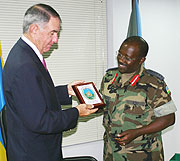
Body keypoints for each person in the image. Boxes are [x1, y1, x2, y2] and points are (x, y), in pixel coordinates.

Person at [2, 3, 98, 161]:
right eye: (53, 33)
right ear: (34, 29)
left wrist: (66, 90)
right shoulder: (24, 65)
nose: (56, 40)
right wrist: (77, 112)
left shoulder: (24, 53)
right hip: (34, 154)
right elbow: (41, 121)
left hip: (34, 148)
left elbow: (34, 94)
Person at [100, 36, 177, 161]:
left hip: (142, 153)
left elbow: (168, 118)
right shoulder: (109, 77)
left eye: (128, 58)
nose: (121, 60)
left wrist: (137, 132)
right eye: (120, 54)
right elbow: (104, 106)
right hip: (111, 152)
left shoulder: (154, 83)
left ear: (141, 60)